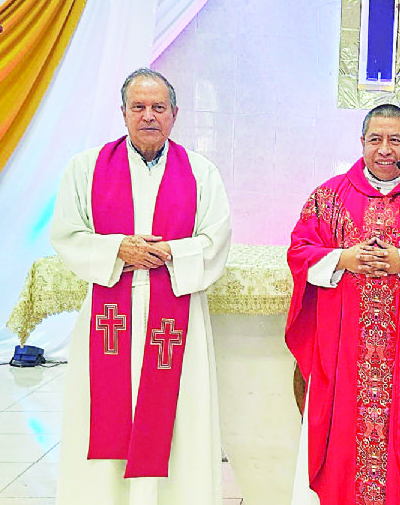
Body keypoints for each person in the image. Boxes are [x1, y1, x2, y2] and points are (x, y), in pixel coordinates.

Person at [51, 68, 232, 504]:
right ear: (123, 113)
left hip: (176, 321)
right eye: (138, 107)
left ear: (174, 114)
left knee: (177, 420)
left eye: (158, 107)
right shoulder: (86, 168)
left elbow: (216, 238)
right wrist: (119, 250)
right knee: (105, 414)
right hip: (111, 317)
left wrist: (169, 252)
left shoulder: (201, 173)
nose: (148, 116)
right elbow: (67, 233)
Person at [286, 103, 400, 504]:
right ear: (362, 142)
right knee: (336, 440)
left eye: (395, 140)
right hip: (341, 350)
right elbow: (299, 250)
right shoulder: (329, 197)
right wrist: (342, 259)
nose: (385, 149)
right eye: (375, 139)